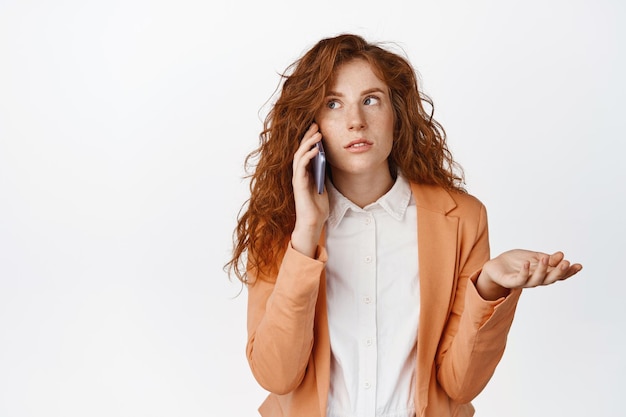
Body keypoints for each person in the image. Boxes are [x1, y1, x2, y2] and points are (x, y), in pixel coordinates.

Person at [226, 33, 582, 417]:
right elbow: (276, 376)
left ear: (396, 112)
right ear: (311, 125)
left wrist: (488, 286)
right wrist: (306, 234)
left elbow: (460, 385)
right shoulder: (280, 224)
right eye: (333, 104)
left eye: (370, 100)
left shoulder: (461, 218)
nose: (356, 121)